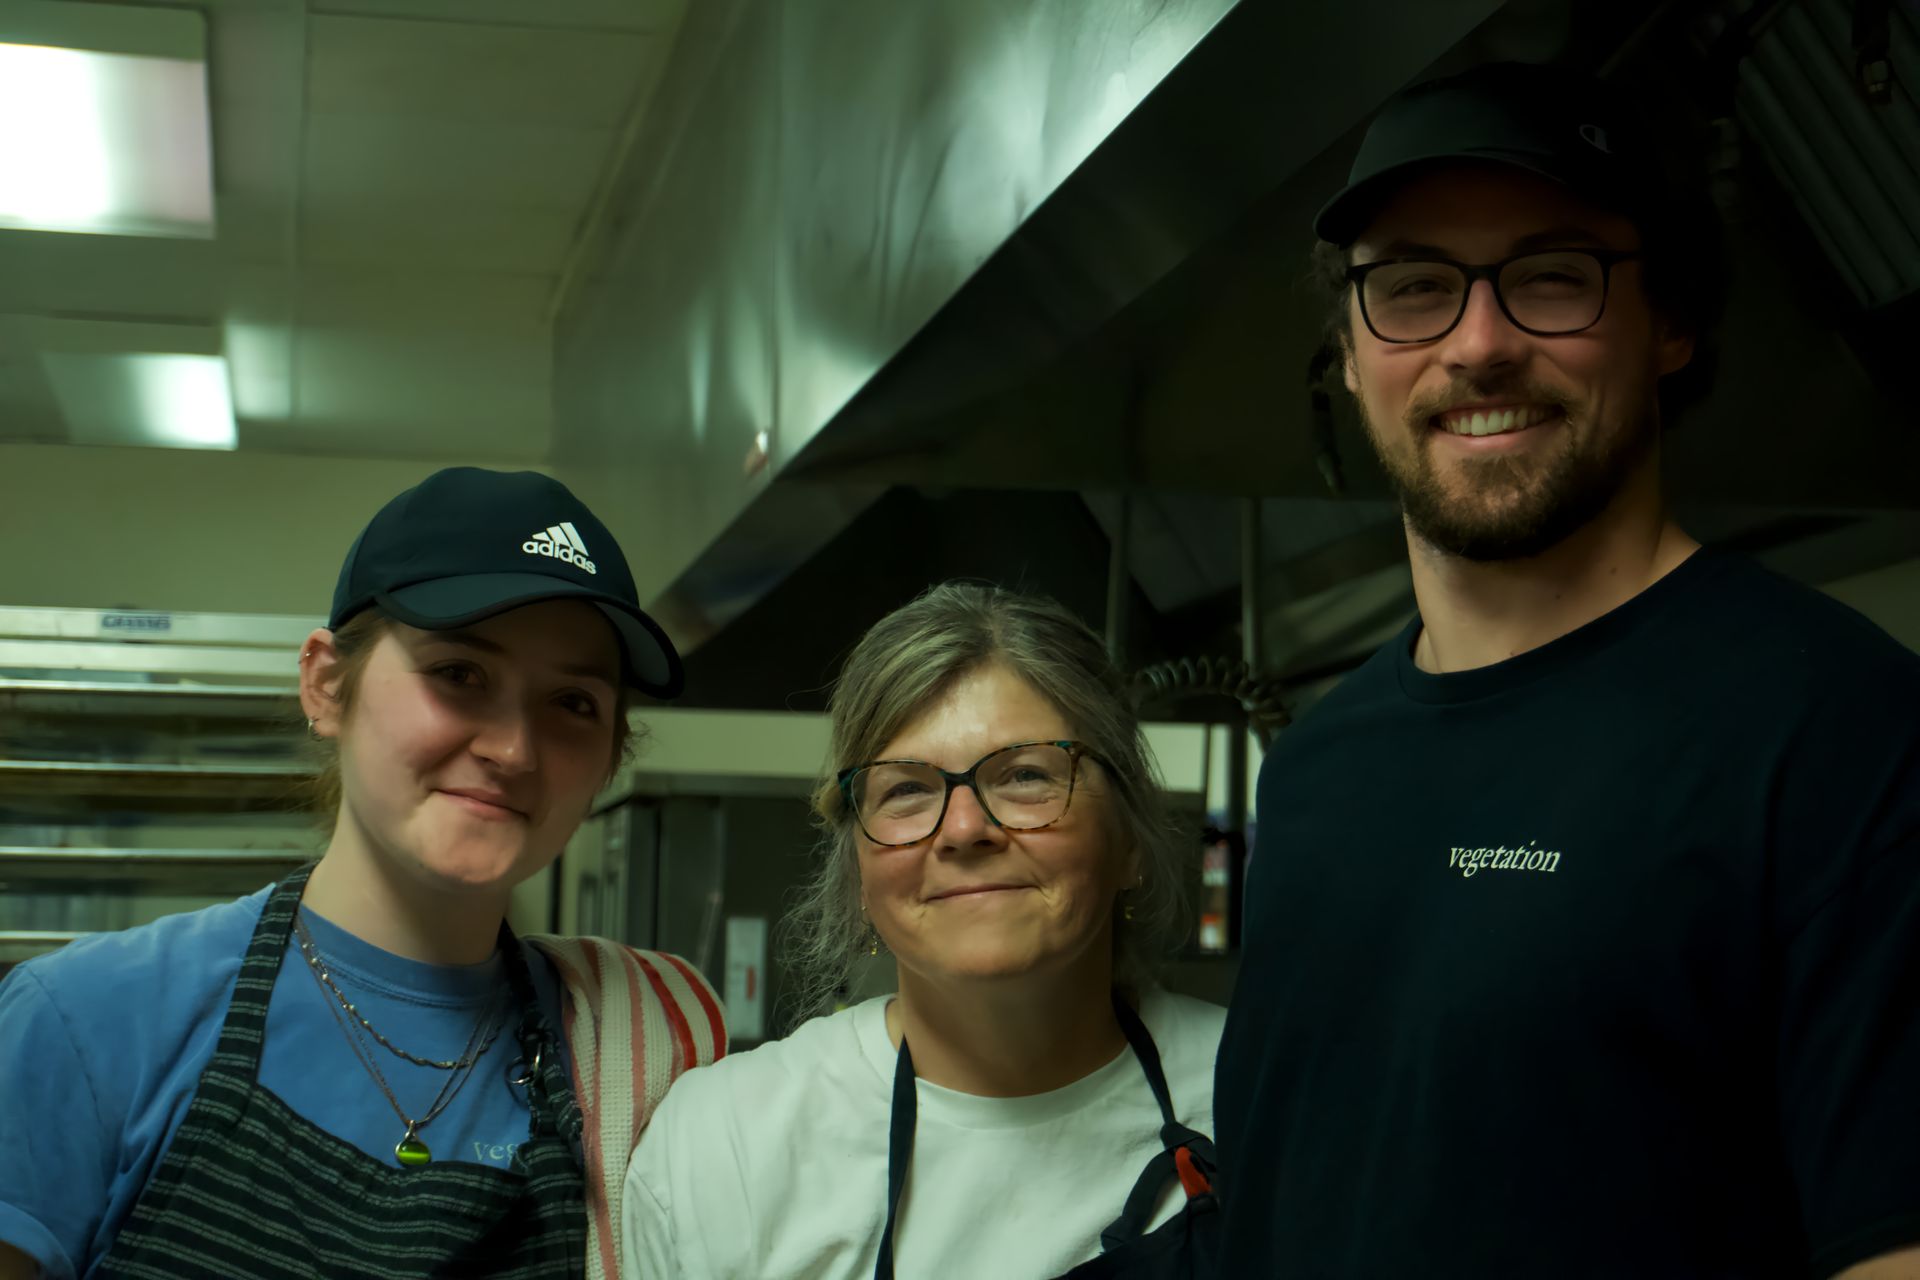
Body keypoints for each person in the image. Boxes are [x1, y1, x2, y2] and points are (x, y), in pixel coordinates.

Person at [1212, 61, 1920, 1278]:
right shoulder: (1320, 772)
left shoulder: (1840, 729)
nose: (1478, 344)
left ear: (1673, 323)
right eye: (1414, 287)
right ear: (1350, 350)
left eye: (1551, 277)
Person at [0, 468, 724, 1280]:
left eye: (573, 703)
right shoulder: (88, 1021)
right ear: (326, 684)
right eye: (459, 674)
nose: (514, 749)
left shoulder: (636, 1047)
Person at [624, 583, 1226, 1278]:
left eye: (1026, 775)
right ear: (858, 873)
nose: (966, 829)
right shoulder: (723, 1148)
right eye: (907, 789)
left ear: (1131, 843)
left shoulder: (1262, 1097)